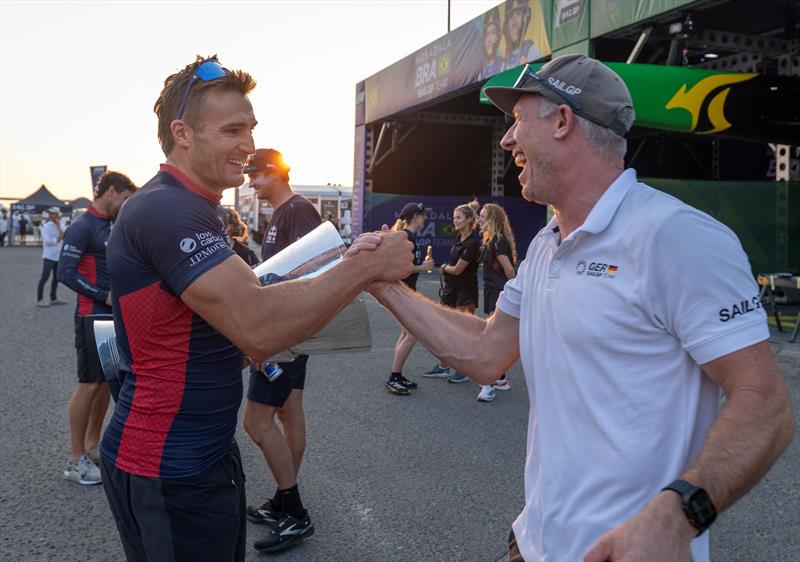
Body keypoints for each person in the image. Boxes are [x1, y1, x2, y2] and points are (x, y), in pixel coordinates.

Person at [367, 54, 794, 562]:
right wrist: (384, 285)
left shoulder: (676, 236)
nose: (506, 141)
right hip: (534, 544)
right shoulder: (548, 244)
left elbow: (764, 403)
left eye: (518, 122)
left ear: (564, 121)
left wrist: (679, 513)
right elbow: (485, 352)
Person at [99, 56, 412, 562]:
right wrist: (365, 268)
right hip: (170, 465)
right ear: (182, 133)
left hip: (193, 455)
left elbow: (214, 325)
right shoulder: (167, 208)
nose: (248, 145)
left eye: (251, 128)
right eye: (232, 130)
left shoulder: (190, 205)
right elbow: (256, 325)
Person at [240, 148, 323, 553]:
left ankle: (294, 511)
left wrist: (270, 335)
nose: (249, 183)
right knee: (290, 412)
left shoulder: (298, 210)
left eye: (254, 175)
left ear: (275, 172)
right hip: (287, 329)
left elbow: (315, 270)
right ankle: (282, 496)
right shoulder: (281, 212)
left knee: (256, 423)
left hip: (286, 332)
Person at [57, 171, 137, 484]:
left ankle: (92, 445)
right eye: (126, 199)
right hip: (91, 315)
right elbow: (66, 272)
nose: (128, 205)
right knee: (89, 384)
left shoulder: (113, 224)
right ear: (112, 192)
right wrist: (104, 295)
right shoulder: (82, 226)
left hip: (113, 318)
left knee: (106, 382)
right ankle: (75, 460)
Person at [422, 204, 480, 383]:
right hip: (451, 290)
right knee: (445, 329)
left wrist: (443, 267)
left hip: (465, 291)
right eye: (454, 217)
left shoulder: (473, 243)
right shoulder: (459, 238)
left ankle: (466, 370)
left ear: (469, 220)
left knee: (464, 332)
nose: (455, 220)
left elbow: (457, 270)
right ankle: (443, 367)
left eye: (459, 217)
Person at [385, 202, 435, 395]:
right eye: (423, 215)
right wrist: (423, 267)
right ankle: (394, 376)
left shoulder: (411, 237)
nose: (425, 218)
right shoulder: (406, 237)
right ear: (415, 216)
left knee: (407, 333)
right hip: (403, 291)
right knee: (412, 334)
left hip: (407, 290)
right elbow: (401, 268)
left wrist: (422, 265)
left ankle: (396, 374)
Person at [476, 203, 517, 402]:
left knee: (491, 337)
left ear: (492, 218)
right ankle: (500, 379)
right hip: (493, 291)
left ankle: (488, 384)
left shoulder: (498, 241)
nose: (479, 218)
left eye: (483, 215)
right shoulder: (491, 239)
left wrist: (512, 296)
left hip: (499, 293)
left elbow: (509, 271)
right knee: (495, 336)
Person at [36, 207, 67, 307]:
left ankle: (53, 298)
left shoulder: (61, 225)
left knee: (56, 278)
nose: (52, 215)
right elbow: (47, 242)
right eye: (51, 214)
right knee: (44, 278)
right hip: (49, 256)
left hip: (58, 256)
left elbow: (66, 235)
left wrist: (59, 227)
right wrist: (58, 239)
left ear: (58, 215)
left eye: (54, 214)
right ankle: (39, 300)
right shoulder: (46, 227)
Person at [502, 0, 542, 69]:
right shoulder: (504, 62)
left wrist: (528, 70)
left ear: (525, 20)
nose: (514, 23)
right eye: (511, 17)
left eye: (518, 14)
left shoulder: (531, 51)